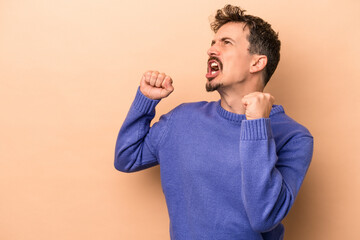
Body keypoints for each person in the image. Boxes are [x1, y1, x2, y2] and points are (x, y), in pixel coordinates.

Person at [114, 4, 313, 240]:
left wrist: (257, 125)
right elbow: (127, 157)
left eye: (226, 42)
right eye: (212, 43)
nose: (211, 50)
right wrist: (145, 101)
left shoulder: (293, 137)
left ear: (257, 63)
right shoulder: (181, 119)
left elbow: (264, 217)